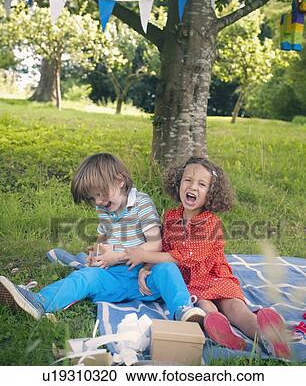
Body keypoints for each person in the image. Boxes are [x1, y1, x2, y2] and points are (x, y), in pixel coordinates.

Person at [0, 153, 205, 324]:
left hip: (145, 278)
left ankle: (183, 310)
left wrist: (116, 257)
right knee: (84, 276)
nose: (98, 201)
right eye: (92, 198)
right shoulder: (104, 207)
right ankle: (38, 302)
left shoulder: (141, 203)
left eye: (100, 194)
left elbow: (155, 244)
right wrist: (96, 254)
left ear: (119, 180)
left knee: (167, 269)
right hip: (114, 278)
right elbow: (103, 235)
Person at [124, 156, 291, 359]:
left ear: (210, 194)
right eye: (187, 180)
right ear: (178, 183)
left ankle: (266, 334)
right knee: (206, 307)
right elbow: (165, 248)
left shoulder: (210, 223)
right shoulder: (170, 217)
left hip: (213, 276)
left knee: (235, 308)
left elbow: (185, 258)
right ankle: (223, 331)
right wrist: (147, 266)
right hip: (194, 282)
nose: (192, 187)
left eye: (201, 184)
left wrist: (143, 255)